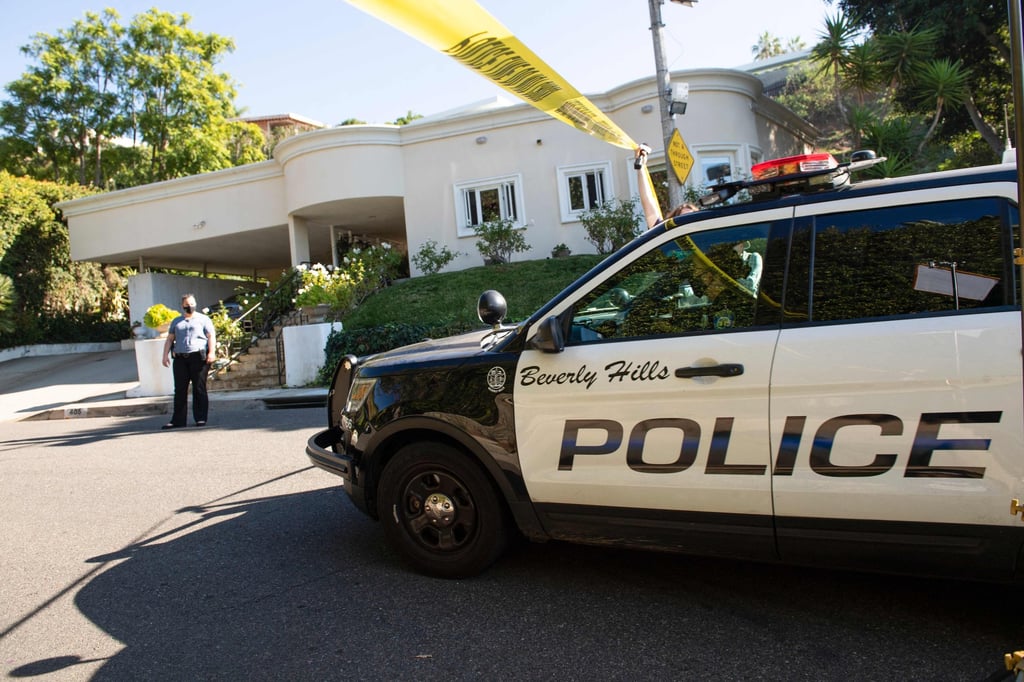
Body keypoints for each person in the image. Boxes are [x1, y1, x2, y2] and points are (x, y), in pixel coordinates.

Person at [161, 293, 216, 429]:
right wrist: (164, 355)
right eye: (187, 305)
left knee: (199, 388)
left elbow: (211, 336)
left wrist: (212, 352)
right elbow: (170, 339)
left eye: (192, 304)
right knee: (180, 389)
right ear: (182, 306)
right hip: (180, 358)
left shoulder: (203, 319)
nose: (190, 307)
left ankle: (201, 418)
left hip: (198, 357)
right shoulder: (176, 321)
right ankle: (178, 420)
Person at [635, 144, 698, 229]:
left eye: (691, 217)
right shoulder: (664, 232)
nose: (687, 221)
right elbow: (647, 200)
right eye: (683, 218)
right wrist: (641, 167)